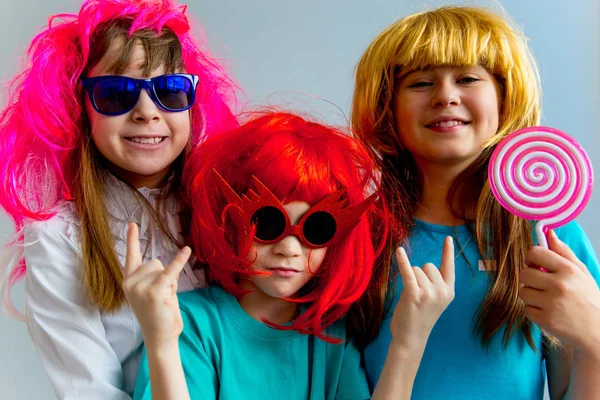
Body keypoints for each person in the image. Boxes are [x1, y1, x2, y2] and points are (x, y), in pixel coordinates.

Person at [350, 5, 600, 399]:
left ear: (504, 98)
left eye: (467, 78)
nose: (445, 96)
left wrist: (594, 338)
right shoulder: (360, 236)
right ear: (387, 106)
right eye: (420, 83)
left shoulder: (549, 237)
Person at [124, 111, 456, 399]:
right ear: (229, 221)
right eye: (267, 223)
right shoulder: (190, 323)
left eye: (317, 228)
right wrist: (162, 344)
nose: (289, 248)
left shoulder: (329, 336)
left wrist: (408, 342)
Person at [0, 0, 238, 398]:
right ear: (78, 108)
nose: (147, 112)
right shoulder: (58, 237)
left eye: (170, 90)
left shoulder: (225, 206)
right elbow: (90, 391)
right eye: (115, 94)